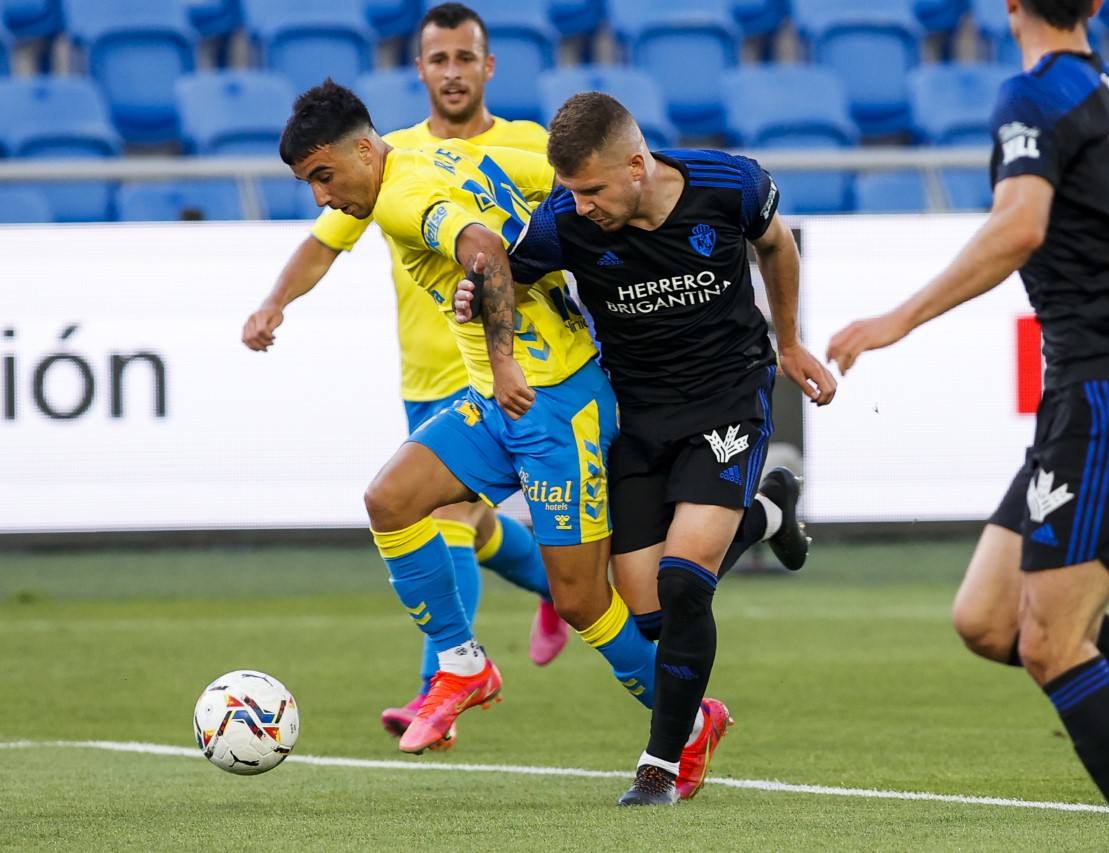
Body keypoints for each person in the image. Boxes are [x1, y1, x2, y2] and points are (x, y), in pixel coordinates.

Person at [825, 1, 1109, 848]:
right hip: (1095, 394)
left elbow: (1019, 226)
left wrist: (898, 319)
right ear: (1097, 5)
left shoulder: (1031, 98)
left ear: (1010, 7)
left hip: (1104, 400)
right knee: (988, 619)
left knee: (1051, 643)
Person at [458, 92, 837, 805]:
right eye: (570, 190)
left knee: (686, 581)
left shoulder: (731, 185)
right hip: (636, 413)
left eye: (593, 188)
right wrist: (474, 291)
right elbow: (502, 272)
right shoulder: (566, 221)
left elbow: (777, 246)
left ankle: (661, 765)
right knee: (649, 611)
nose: (581, 204)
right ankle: (770, 516)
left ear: (637, 164)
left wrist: (788, 341)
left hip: (728, 397)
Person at [277, 79, 664, 755]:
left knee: (581, 602)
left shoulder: (400, 197)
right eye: (309, 181)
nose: (321, 196)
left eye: (323, 175)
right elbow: (543, 188)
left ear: (365, 151)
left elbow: (482, 249)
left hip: (551, 399)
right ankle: (462, 663)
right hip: (496, 401)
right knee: (390, 499)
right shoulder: (433, 158)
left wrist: (505, 356)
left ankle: (687, 713)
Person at [241, 3, 569, 747]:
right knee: (474, 525)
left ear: (489, 67)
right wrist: (273, 303)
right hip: (424, 377)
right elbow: (325, 242)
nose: (451, 71)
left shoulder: (527, 146)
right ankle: (556, 587)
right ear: (418, 70)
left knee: (444, 519)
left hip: (504, 371)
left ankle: (438, 690)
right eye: (437, 59)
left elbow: (580, 221)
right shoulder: (380, 159)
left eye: (464, 57)